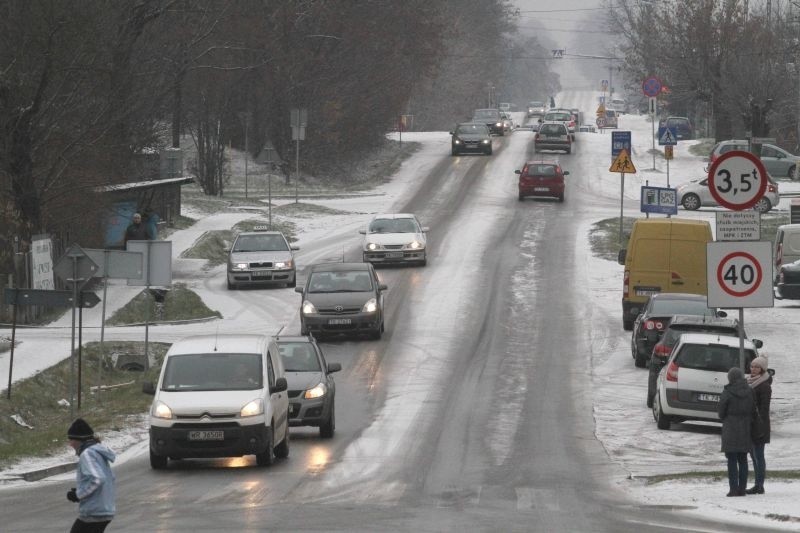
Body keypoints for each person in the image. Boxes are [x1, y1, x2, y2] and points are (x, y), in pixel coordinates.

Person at [66, 418, 116, 532]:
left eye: (71, 439)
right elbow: (109, 478)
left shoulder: (87, 454)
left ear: (79, 440)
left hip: (94, 512)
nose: (70, 444)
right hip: (104, 509)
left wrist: (79, 494)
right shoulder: (97, 452)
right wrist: (82, 489)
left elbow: (98, 479)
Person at [718, 367, 755, 497]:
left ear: (730, 378)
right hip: (745, 427)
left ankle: (733, 489)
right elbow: (753, 409)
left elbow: (721, 412)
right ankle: (742, 489)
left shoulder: (727, 391)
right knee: (743, 459)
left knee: (732, 459)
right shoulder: (750, 391)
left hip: (730, 427)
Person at [747, 355, 772, 495]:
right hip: (751, 424)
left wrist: (759, 425)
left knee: (758, 455)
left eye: (757, 367)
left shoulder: (764, 386)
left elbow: (764, 409)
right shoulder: (750, 382)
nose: (753, 369)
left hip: (760, 426)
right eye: (752, 366)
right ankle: (757, 483)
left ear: (762, 369)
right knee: (753, 455)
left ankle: (759, 485)